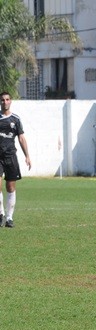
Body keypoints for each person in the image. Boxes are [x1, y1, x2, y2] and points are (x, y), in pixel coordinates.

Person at [0, 92, 32, 228]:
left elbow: (21, 138)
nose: (5, 102)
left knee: (10, 187)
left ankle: (9, 218)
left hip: (10, 156)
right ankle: (1, 213)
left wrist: (27, 155)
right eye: (2, 100)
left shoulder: (15, 119)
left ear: (10, 101)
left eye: (7, 99)